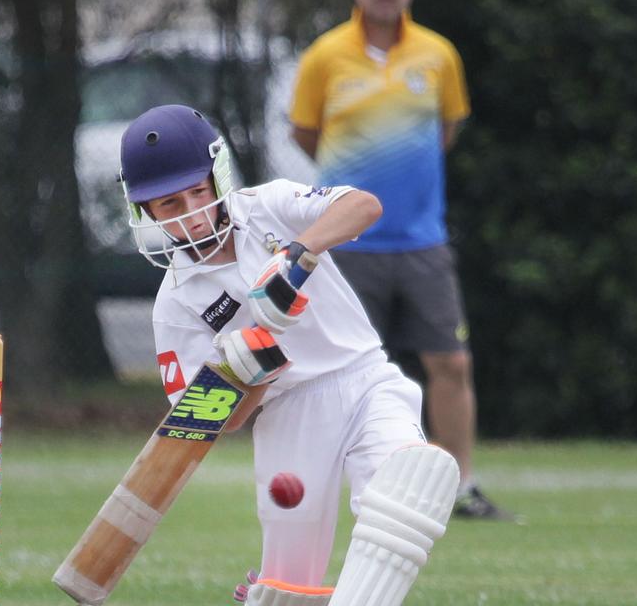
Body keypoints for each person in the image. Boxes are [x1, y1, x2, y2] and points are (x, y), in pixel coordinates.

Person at [119, 104, 459, 605]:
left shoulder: (268, 206)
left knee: (405, 490)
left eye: (197, 192)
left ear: (217, 178)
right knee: (286, 590)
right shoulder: (175, 304)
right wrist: (247, 373)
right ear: (144, 210)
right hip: (287, 417)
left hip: (366, 378)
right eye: (170, 205)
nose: (191, 213)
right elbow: (204, 419)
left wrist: (295, 255)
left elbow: (363, 206)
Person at [288, 0, 516, 521]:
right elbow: (306, 135)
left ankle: (460, 486)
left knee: (451, 363)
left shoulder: (438, 55)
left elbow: (445, 131)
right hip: (347, 245)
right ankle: (344, 487)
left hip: (422, 240)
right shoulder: (324, 56)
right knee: (340, 370)